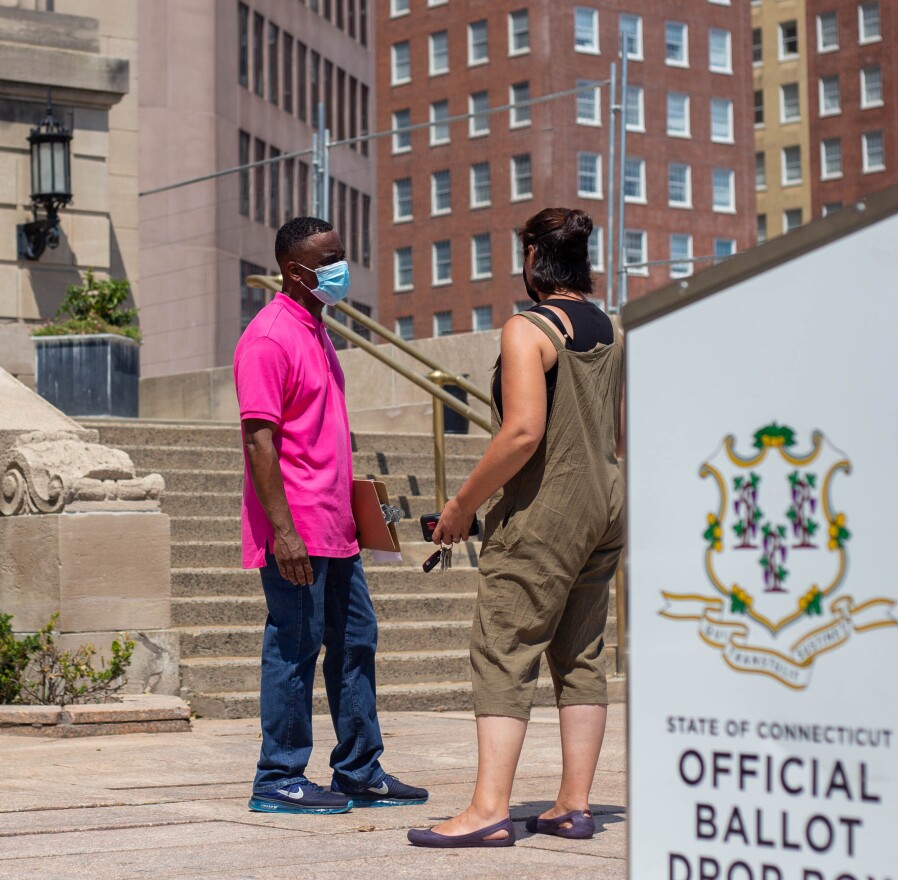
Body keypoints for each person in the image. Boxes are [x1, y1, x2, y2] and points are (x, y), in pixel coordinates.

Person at [407, 208, 623, 847]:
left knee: (503, 646)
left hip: (546, 509)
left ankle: (488, 811)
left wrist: (461, 507)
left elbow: (523, 431)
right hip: (607, 503)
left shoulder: (528, 329)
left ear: (533, 257)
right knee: (582, 652)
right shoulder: (608, 326)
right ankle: (573, 806)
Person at [235, 216, 428, 815]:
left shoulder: (315, 329)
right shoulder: (268, 338)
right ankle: (279, 778)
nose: (342, 267)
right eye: (331, 259)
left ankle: (359, 769)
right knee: (295, 646)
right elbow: (259, 443)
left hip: (337, 525)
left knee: (355, 643)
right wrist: (284, 533)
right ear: (296, 271)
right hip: (297, 530)